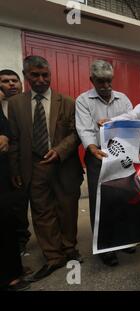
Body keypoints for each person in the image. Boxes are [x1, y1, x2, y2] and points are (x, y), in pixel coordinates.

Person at [8, 56, 83, 282]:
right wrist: (15, 170)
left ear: (50, 75)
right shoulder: (16, 104)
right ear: (26, 76)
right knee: (42, 212)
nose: (40, 80)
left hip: (63, 165)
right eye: (35, 75)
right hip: (34, 166)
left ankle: (69, 248)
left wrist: (60, 150)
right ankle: (53, 256)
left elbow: (76, 133)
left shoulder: (68, 102)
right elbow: (13, 139)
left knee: (67, 209)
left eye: (45, 75)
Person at [75, 60, 134, 266]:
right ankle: (105, 246)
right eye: (101, 81)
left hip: (120, 155)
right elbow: (84, 128)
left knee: (122, 198)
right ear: (92, 80)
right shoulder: (84, 100)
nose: (106, 86)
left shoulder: (123, 99)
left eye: (109, 81)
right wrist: (91, 147)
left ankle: (123, 240)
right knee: (100, 201)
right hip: (97, 156)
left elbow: (131, 122)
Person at [0, 69, 31, 254]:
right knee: (10, 207)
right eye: (5, 81)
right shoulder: (1, 107)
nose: (11, 84)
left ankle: (21, 238)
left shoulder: (26, 103)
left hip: (25, 161)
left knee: (21, 205)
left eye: (14, 80)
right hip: (5, 165)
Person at [0, 105, 30, 291]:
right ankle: (8, 277)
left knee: (6, 221)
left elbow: (8, 132)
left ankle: (12, 270)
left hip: (3, 172)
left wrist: (5, 137)